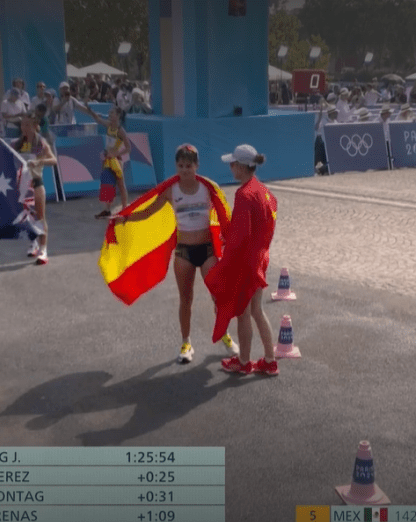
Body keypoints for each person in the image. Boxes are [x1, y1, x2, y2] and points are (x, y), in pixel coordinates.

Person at [112, 144, 241, 362]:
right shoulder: (171, 190)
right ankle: (186, 343)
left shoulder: (208, 188)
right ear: (176, 166)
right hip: (184, 252)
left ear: (196, 166)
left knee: (218, 296)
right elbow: (148, 211)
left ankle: (225, 335)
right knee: (186, 300)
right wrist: (126, 217)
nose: (184, 170)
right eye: (180, 166)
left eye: (188, 166)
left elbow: (224, 215)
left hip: (208, 250)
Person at [206, 144, 279, 376]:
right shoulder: (263, 190)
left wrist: (226, 261)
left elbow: (239, 236)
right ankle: (270, 360)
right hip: (260, 259)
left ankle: (244, 361)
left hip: (247, 263)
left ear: (240, 166)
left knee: (244, 313)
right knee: (257, 311)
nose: (230, 167)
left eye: (232, 163)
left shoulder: (244, 194)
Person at [12, 113, 57, 265]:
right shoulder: (18, 143)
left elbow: (53, 160)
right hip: (22, 185)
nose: (23, 128)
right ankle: (34, 243)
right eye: (22, 124)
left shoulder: (41, 142)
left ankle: (43, 250)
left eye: (27, 125)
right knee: (27, 218)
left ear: (35, 126)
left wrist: (38, 162)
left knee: (40, 217)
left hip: (36, 183)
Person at [81, 102, 131, 218]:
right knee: (107, 184)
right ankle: (107, 209)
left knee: (121, 185)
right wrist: (90, 110)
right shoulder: (109, 125)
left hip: (116, 160)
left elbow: (128, 148)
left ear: (117, 116)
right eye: (109, 113)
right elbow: (98, 119)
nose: (109, 114)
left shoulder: (120, 131)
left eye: (112, 113)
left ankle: (125, 209)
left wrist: (116, 153)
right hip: (107, 160)